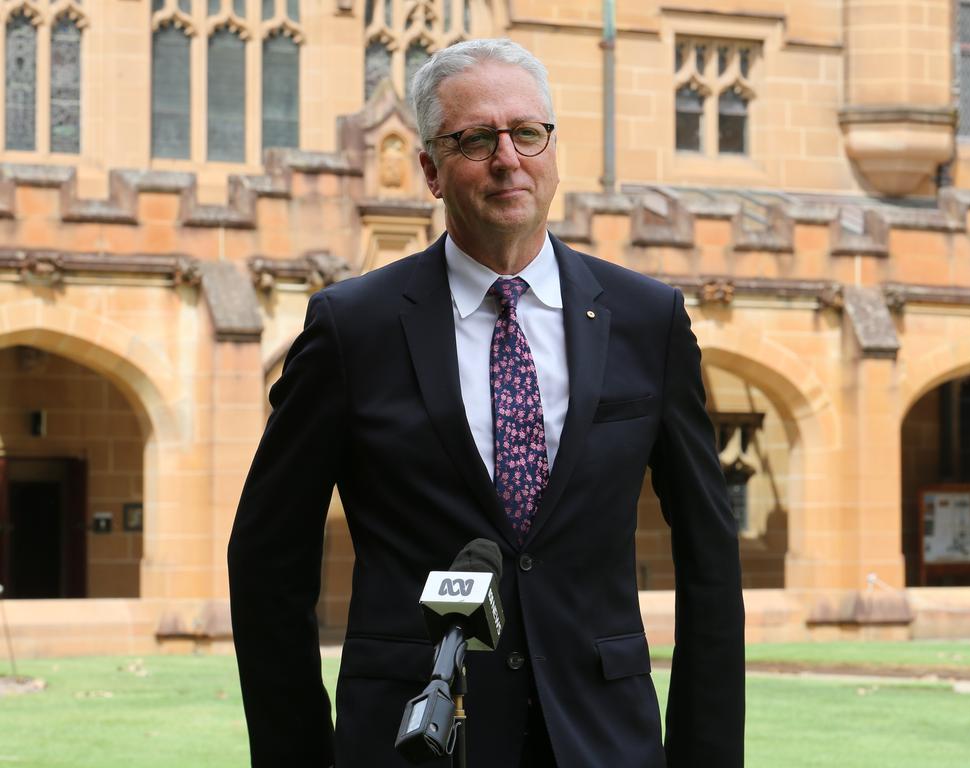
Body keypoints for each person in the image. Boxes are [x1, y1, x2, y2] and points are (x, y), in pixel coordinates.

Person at [228, 38, 744, 768]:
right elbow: (266, 559)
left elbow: (710, 557)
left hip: (603, 739)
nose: (508, 157)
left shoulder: (646, 319)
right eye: (475, 139)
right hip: (416, 739)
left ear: (552, 150)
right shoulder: (354, 328)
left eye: (527, 133)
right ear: (432, 172)